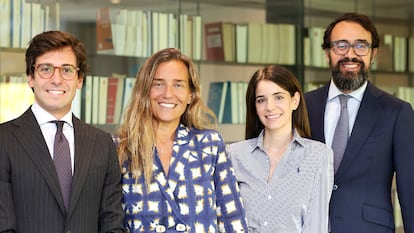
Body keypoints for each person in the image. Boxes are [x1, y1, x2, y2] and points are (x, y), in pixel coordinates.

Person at [0, 31, 125, 233]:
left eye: (66, 70)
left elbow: (112, 221)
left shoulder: (103, 143)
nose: (56, 79)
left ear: (79, 80)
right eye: (46, 69)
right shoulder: (4, 140)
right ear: (31, 77)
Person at [116, 47, 248, 233]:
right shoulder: (120, 148)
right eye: (158, 84)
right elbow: (109, 223)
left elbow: (232, 220)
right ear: (145, 91)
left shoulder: (209, 145)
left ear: (190, 95)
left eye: (178, 85)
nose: (168, 94)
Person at [304, 12, 414, 233]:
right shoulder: (304, 106)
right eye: (341, 45)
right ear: (327, 52)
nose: (350, 54)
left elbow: (410, 190)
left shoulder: (397, 112)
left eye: (361, 46)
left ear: (373, 53)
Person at [227, 64, 334, 233]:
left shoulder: (318, 155)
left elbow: (317, 226)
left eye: (278, 97)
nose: (269, 107)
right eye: (261, 100)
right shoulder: (234, 154)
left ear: (295, 100)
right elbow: (225, 220)